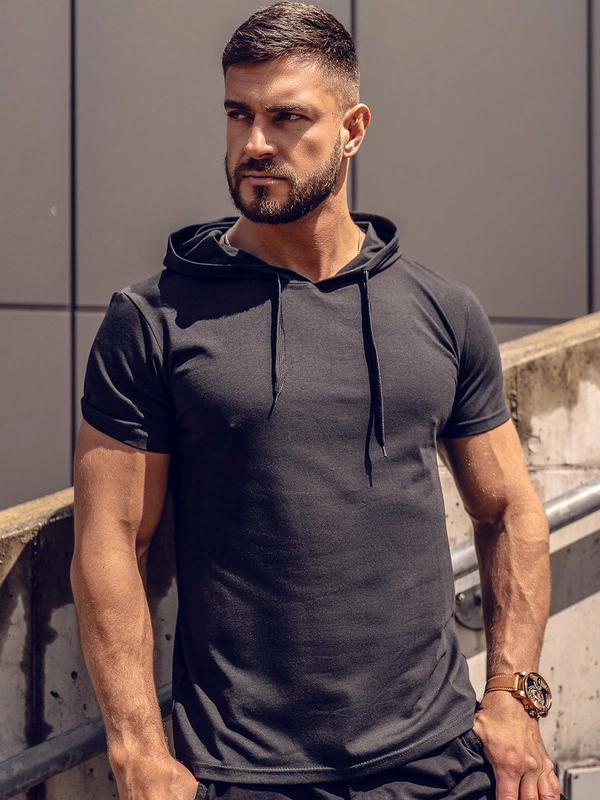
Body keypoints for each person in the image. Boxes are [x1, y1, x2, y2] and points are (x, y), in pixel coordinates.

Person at [71, 4, 563, 799]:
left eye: (287, 117)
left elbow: (510, 511)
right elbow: (111, 540)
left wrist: (514, 699)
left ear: (352, 129)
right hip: (245, 774)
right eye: (238, 115)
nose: (254, 144)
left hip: (439, 764)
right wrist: (138, 754)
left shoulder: (442, 310)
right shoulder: (154, 318)